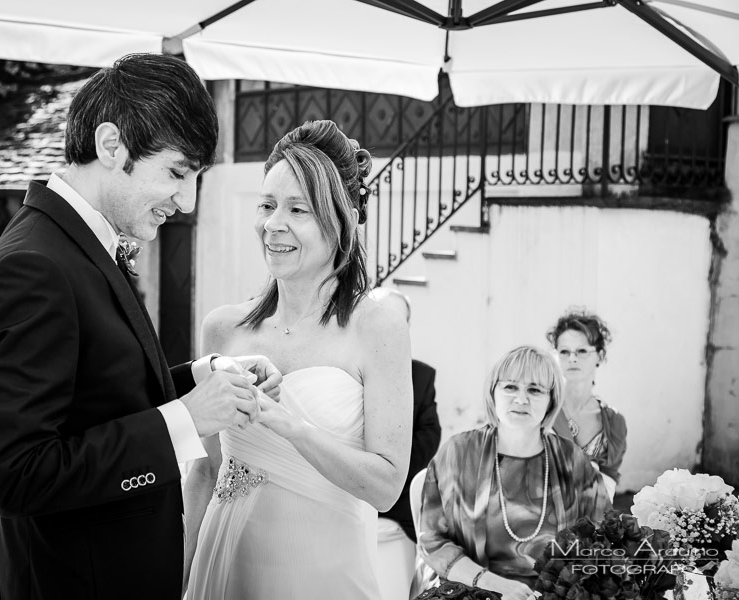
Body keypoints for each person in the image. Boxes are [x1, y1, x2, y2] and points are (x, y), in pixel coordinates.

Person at [0, 53, 281, 600]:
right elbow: (16, 474)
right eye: (178, 173)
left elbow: (100, 394)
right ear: (112, 146)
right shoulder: (34, 266)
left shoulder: (81, 245)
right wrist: (185, 419)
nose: (186, 201)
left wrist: (204, 376)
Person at [183, 120, 413, 599]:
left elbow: (387, 485)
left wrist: (287, 423)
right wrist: (175, 578)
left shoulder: (378, 325)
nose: (273, 224)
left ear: (343, 217)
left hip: (323, 574)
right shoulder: (223, 327)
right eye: (267, 205)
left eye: (297, 209)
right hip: (225, 564)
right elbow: (204, 471)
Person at [413, 346, 609, 600]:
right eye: (510, 387)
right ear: (493, 392)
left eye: (535, 390)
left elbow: (603, 539)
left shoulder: (573, 460)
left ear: (551, 400)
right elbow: (432, 542)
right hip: (473, 588)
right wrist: (495, 585)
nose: (521, 399)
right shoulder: (458, 453)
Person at [371, 287, 442, 600]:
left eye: (398, 322)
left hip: (395, 511)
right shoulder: (343, 369)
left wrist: (386, 469)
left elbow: (429, 434)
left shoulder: (422, 376)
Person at [546, 308, 627, 499]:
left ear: (599, 355)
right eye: (564, 351)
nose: (572, 358)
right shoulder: (541, 409)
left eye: (582, 351)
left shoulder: (614, 423)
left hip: (589, 520)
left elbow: (609, 482)